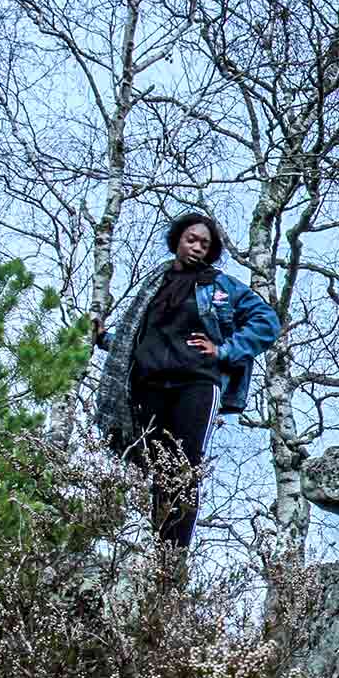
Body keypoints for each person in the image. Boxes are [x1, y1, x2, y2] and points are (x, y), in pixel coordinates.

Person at [92, 212, 281, 550]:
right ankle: (158, 547)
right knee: (157, 467)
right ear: (178, 240)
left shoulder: (219, 285)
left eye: (205, 244)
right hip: (148, 384)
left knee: (183, 464)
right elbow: (137, 336)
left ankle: (172, 554)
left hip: (195, 383)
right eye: (191, 240)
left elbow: (267, 322)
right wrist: (105, 338)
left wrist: (224, 350)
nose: (197, 247)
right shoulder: (155, 285)